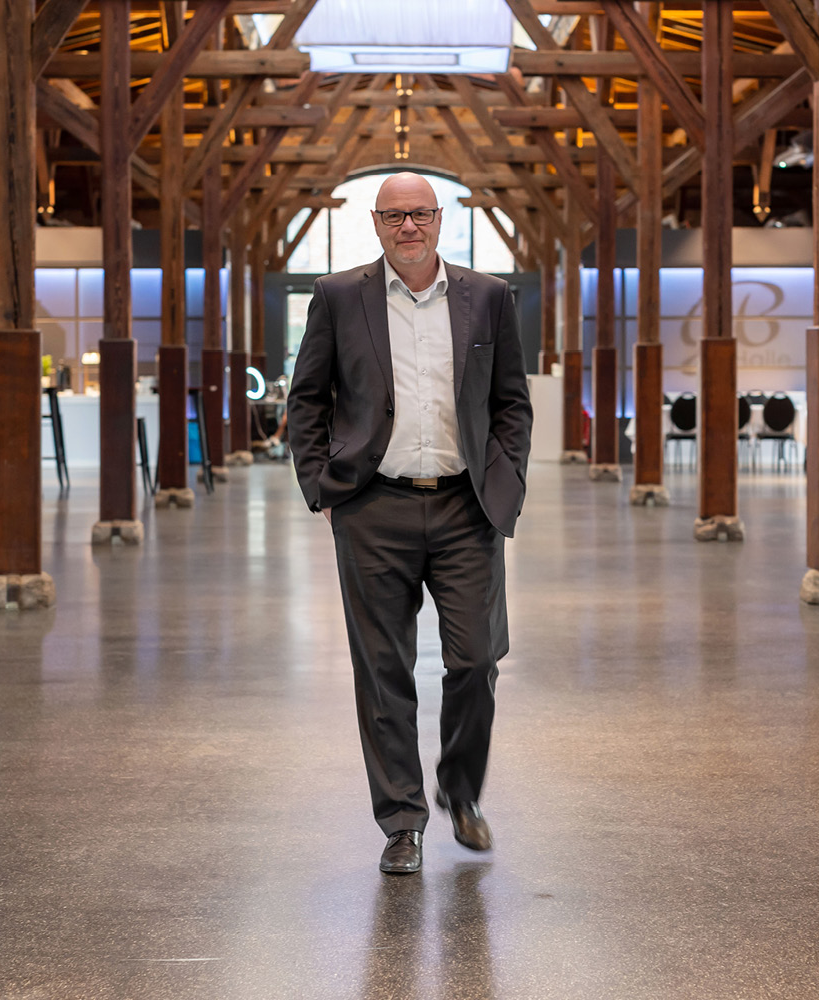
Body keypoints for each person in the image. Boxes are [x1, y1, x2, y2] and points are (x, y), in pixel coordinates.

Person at [287, 172, 532, 875]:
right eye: (394, 216)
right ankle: (402, 821)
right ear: (376, 223)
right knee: (382, 669)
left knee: (478, 657)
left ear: (439, 218)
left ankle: (461, 794)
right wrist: (322, 485)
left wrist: (505, 481)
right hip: (373, 506)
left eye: (420, 213)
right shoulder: (338, 297)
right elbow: (307, 400)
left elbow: (512, 402)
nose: (409, 227)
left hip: (466, 507)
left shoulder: (486, 297)